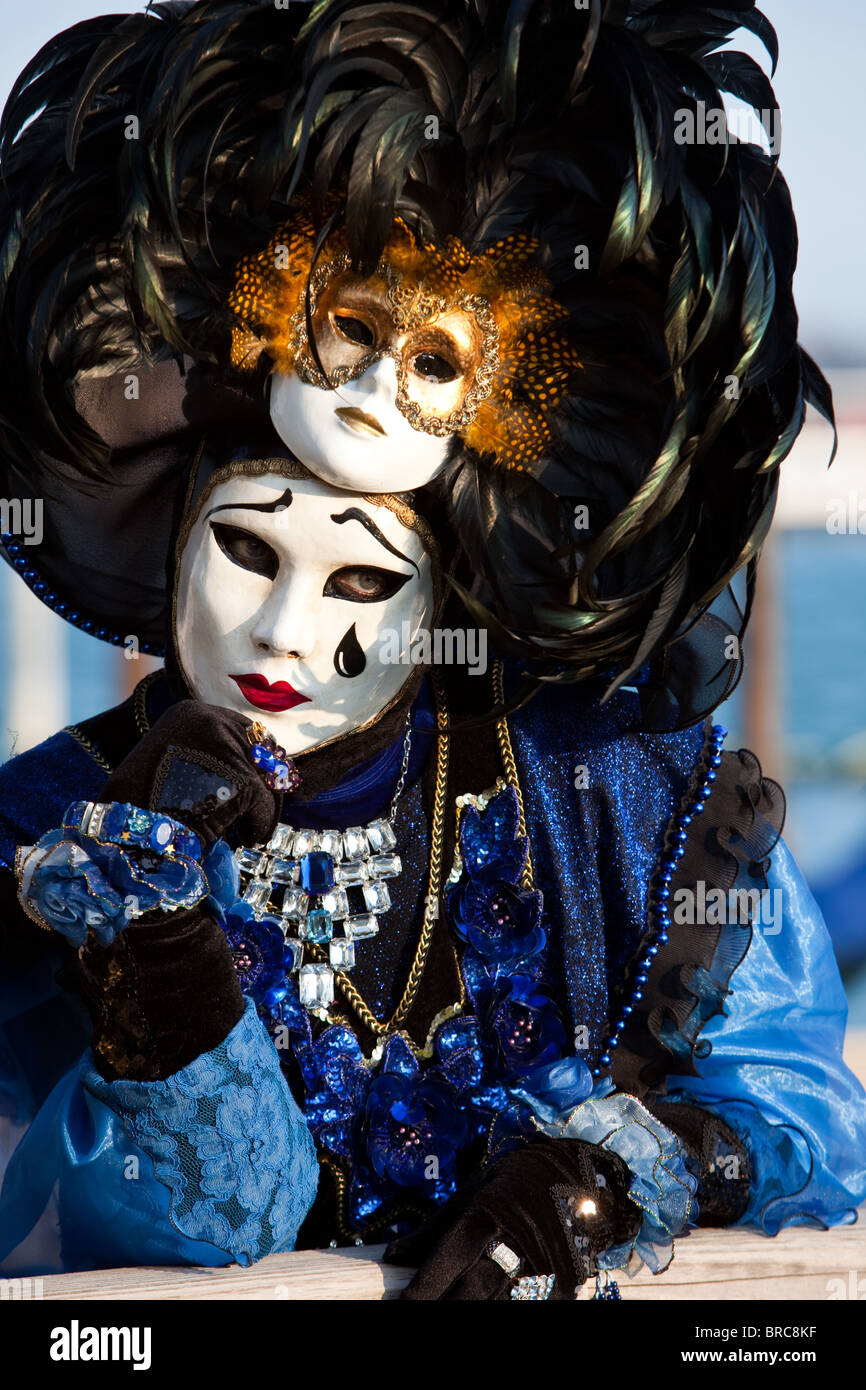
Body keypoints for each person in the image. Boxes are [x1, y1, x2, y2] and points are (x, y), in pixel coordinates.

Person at [0, 0, 863, 1300]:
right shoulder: (49, 839)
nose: (289, 632)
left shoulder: (625, 808)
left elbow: (807, 1117)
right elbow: (152, 1226)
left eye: (362, 578)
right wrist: (158, 949)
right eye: (245, 551)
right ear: (169, 532)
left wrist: (603, 1180)